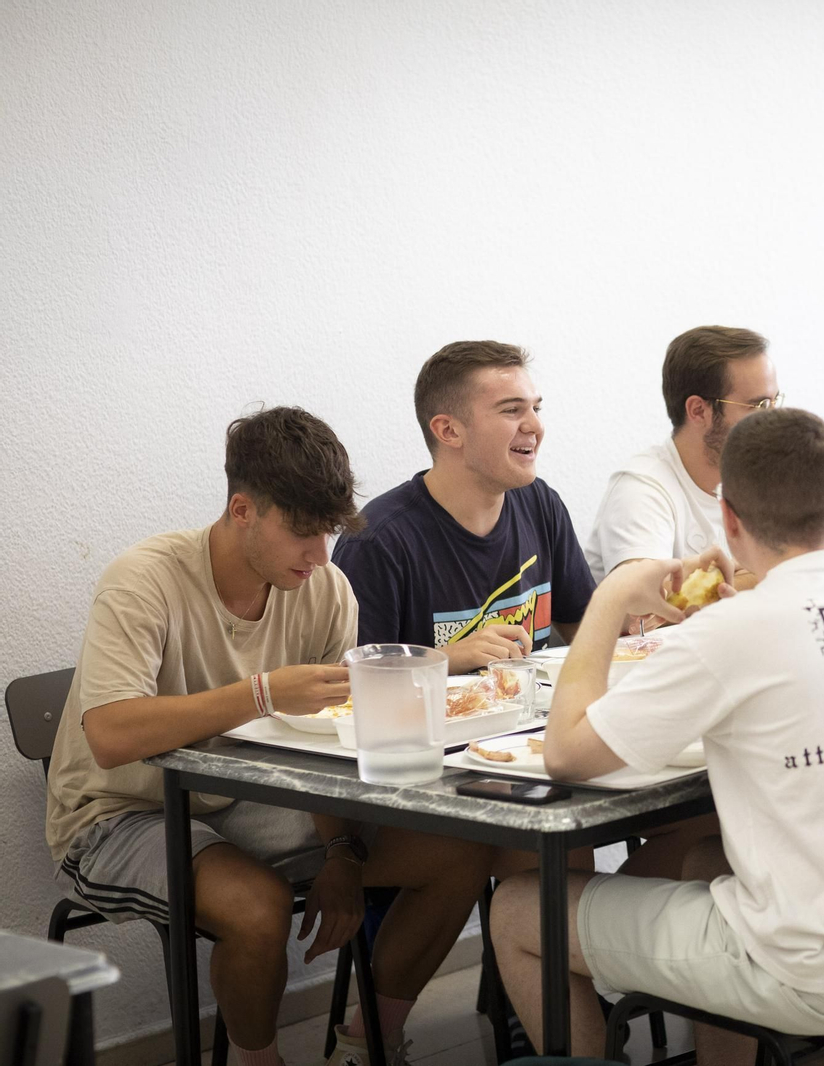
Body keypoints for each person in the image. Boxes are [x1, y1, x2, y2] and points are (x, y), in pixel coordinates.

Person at [490, 409, 824, 1062]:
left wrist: (613, 593)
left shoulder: (730, 633)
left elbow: (565, 754)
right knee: (707, 857)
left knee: (516, 910)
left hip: (810, 968)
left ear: (728, 516)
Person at [45, 408, 496, 1066]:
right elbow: (111, 735)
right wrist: (259, 694)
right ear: (242, 510)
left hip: (249, 798)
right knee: (259, 908)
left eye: (330, 534)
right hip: (119, 812)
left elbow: (324, 745)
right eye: (302, 534)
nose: (319, 556)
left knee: (460, 851)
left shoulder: (325, 590)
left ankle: (364, 1045)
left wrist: (341, 851)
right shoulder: (144, 580)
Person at [333, 340, 596, 672]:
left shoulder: (541, 504)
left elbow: (586, 635)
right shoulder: (377, 541)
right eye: (511, 410)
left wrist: (630, 609)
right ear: (449, 431)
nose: (534, 426)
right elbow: (352, 687)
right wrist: (445, 659)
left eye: (536, 409)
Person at [583, 325, 777, 585]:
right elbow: (643, 606)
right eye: (759, 405)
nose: (774, 420)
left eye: (775, 402)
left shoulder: (761, 481)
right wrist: (775, 573)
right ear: (698, 411)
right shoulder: (642, 488)